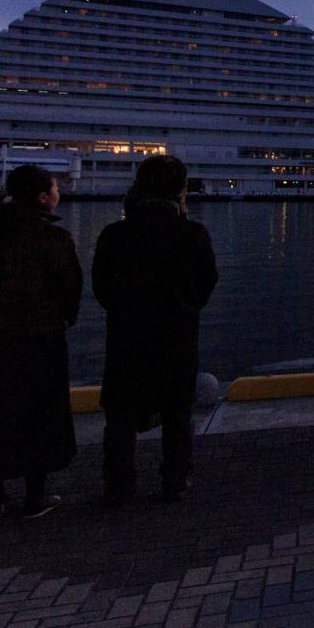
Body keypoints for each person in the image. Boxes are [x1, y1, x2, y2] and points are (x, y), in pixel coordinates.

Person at [0, 164, 82, 522]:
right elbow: (70, 293)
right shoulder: (55, 239)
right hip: (40, 341)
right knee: (39, 416)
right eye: (55, 189)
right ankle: (35, 497)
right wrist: (62, 319)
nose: (58, 194)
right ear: (42, 197)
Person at [92, 154, 219, 505]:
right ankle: (175, 482)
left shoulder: (115, 234)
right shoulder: (191, 233)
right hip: (177, 337)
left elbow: (101, 286)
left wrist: (124, 310)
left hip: (126, 337)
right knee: (178, 411)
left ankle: (119, 486)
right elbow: (206, 282)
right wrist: (184, 306)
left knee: (120, 415)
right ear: (180, 190)